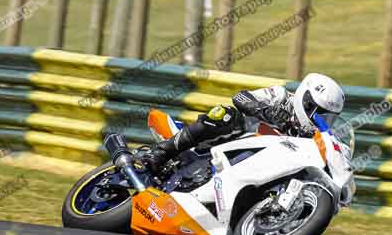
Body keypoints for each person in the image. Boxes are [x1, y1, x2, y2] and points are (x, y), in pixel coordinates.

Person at [138, 73, 345, 172]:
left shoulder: (311, 138)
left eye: (328, 117)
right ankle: (162, 152)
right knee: (225, 114)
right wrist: (264, 110)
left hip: (253, 168)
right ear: (306, 101)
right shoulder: (282, 97)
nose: (321, 120)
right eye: (319, 113)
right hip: (225, 143)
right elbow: (241, 97)